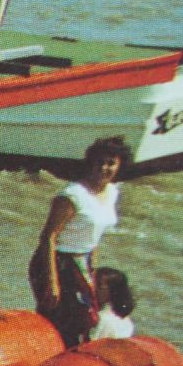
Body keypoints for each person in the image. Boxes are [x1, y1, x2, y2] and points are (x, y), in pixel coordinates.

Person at [31, 136, 131, 347]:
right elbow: (48, 237)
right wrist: (52, 281)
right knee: (65, 319)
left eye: (111, 163)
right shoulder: (73, 195)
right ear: (91, 162)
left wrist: (91, 270)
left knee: (88, 318)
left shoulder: (112, 192)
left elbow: (93, 237)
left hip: (82, 262)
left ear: (120, 164)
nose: (104, 167)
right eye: (99, 162)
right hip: (56, 261)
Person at [89, 267, 136, 341]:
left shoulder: (103, 319)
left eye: (99, 286)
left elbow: (89, 347)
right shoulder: (127, 321)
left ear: (112, 291)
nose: (93, 289)